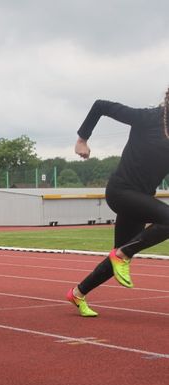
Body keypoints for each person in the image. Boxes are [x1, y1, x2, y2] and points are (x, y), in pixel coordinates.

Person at [67, 87, 169, 317]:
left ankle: (78, 293)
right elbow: (100, 105)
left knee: (119, 257)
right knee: (127, 250)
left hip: (140, 200)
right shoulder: (147, 118)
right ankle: (122, 255)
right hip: (121, 191)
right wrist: (82, 139)